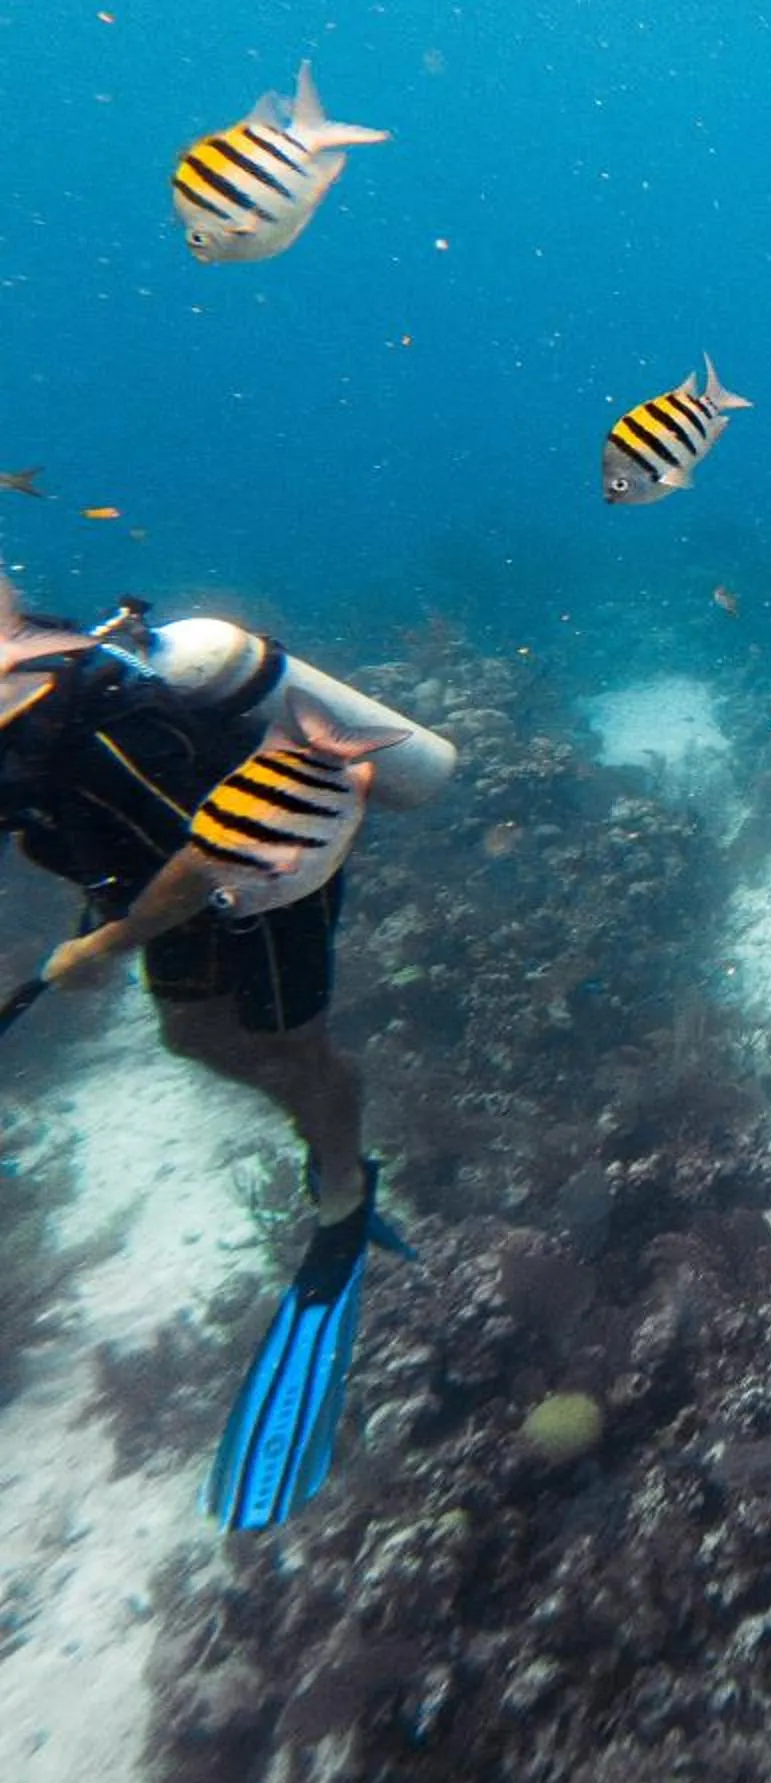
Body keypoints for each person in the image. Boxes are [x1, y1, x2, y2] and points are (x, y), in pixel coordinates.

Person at [0, 590, 453, 1527]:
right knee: (194, 1033)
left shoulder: (80, 717)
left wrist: (103, 946)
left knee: (292, 1044)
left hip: (266, 870)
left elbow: (213, 849)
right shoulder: (28, 720)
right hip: (164, 882)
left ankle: (342, 1184)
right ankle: (324, 1134)